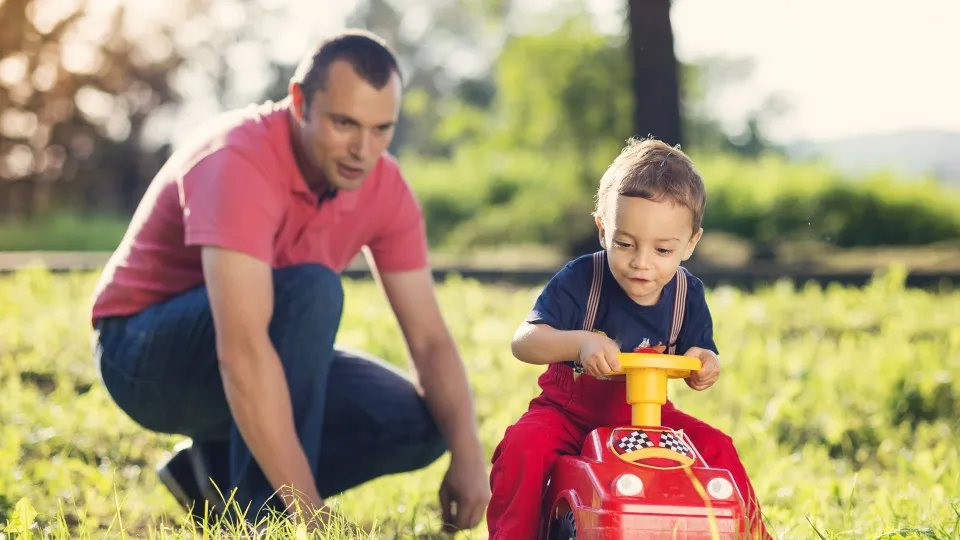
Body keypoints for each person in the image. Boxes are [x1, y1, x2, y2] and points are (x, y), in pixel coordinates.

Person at [88, 29, 490, 532]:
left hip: (251, 343)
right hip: (144, 356)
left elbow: (429, 340)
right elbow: (242, 349)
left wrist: (470, 457)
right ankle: (267, 519)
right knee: (312, 292)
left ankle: (210, 478)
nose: (362, 150)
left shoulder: (383, 185)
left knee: (421, 425)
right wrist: (310, 515)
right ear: (299, 100)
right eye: (344, 123)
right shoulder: (238, 158)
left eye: (381, 128)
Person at [485, 138, 771, 539]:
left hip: (648, 421)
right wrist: (579, 343)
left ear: (690, 244)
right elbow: (524, 341)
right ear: (603, 229)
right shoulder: (583, 279)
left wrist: (705, 363)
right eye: (625, 243)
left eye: (662, 250)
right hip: (568, 415)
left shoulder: (687, 296)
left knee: (717, 446)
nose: (641, 262)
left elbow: (699, 351)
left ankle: (751, 534)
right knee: (523, 445)